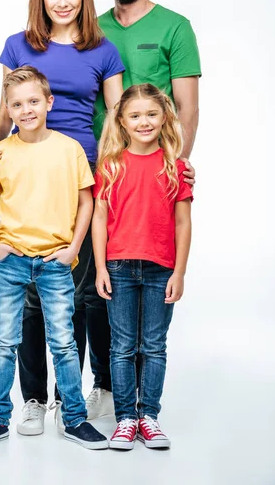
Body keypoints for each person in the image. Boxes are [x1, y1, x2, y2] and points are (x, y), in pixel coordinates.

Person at [0, 0, 124, 435]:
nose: (62, 1)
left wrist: (117, 173)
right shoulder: (17, 45)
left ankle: (72, 398)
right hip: (27, 177)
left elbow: (118, 123)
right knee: (28, 297)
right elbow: (4, 112)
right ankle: (34, 399)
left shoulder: (103, 51)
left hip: (80, 175)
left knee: (78, 292)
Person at [0, 66, 108, 450]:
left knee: (63, 342)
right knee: (4, 342)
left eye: (32, 101)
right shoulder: (1, 153)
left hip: (55, 262)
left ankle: (74, 418)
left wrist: (75, 248)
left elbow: (86, 202)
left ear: (49, 102)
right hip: (11, 263)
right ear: (7, 111)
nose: (26, 110)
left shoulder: (69, 149)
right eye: (16, 104)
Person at [92, 84, 193, 450]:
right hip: (118, 267)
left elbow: (183, 222)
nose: (144, 122)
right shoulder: (111, 166)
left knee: (153, 345)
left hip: (160, 270)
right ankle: (125, 419)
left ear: (165, 115)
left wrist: (179, 272)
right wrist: (101, 268)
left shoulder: (176, 167)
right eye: (135, 115)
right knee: (121, 346)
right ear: (121, 120)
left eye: (151, 114)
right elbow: (99, 219)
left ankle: (148, 416)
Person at [95, 0, 201, 163]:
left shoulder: (175, 27)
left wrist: (177, 165)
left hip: (156, 165)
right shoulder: (91, 30)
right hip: (100, 166)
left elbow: (188, 108)